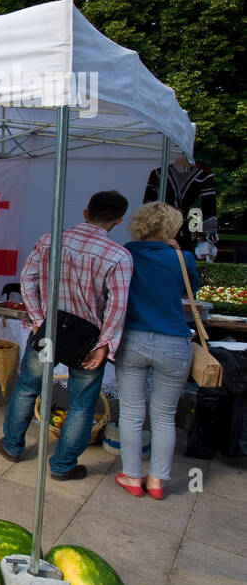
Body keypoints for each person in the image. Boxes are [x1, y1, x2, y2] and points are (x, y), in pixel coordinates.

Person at [0, 190, 133, 481]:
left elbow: (27, 279)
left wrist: (36, 318)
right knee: (82, 403)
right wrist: (104, 345)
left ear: (86, 212)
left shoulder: (49, 240)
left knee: (28, 387)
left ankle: (11, 445)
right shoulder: (119, 256)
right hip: (88, 339)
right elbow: (116, 306)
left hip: (48, 328)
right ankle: (62, 466)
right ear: (119, 220)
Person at [115, 202, 196, 500]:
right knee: (164, 416)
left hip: (133, 337)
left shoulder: (127, 252)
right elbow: (191, 290)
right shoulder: (182, 257)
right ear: (172, 228)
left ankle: (132, 476)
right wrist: (175, 251)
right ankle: (158, 481)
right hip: (174, 341)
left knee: (132, 412)